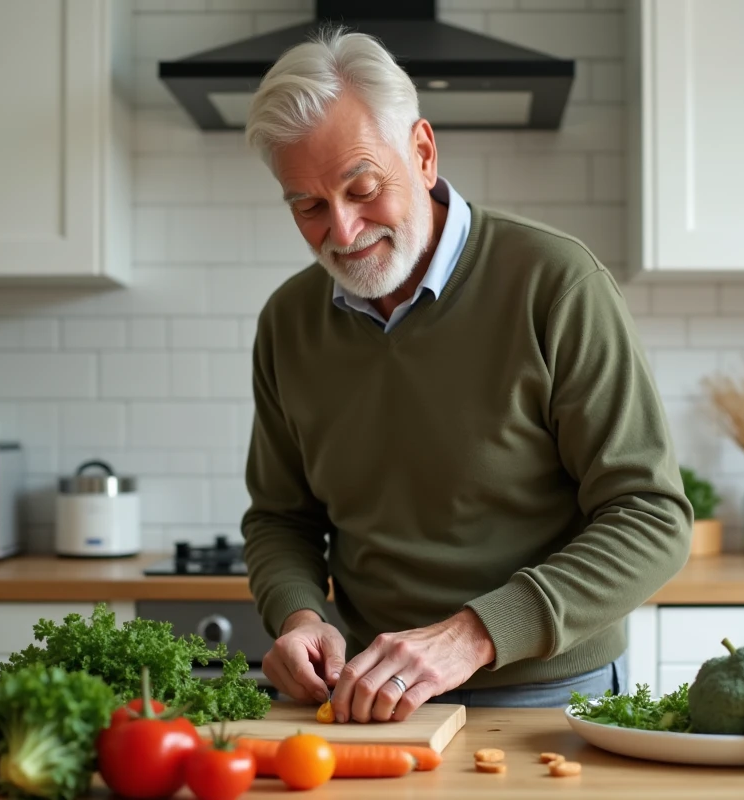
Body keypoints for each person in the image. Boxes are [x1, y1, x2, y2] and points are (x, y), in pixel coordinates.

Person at [240, 26, 692, 724]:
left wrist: (474, 634)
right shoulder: (287, 323)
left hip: (548, 694)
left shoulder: (555, 284)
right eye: (308, 206)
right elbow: (280, 520)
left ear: (422, 153)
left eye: (362, 188)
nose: (345, 230)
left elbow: (652, 517)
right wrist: (299, 616)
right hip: (371, 700)